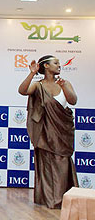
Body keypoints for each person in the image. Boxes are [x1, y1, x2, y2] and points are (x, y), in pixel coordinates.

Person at [18, 55, 78, 209]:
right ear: (45, 66)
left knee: (62, 163)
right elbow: (23, 91)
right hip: (45, 133)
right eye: (56, 63)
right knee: (46, 165)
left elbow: (73, 101)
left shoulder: (65, 83)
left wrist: (64, 87)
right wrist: (31, 73)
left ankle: (62, 198)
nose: (59, 65)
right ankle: (48, 198)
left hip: (62, 132)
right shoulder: (38, 85)